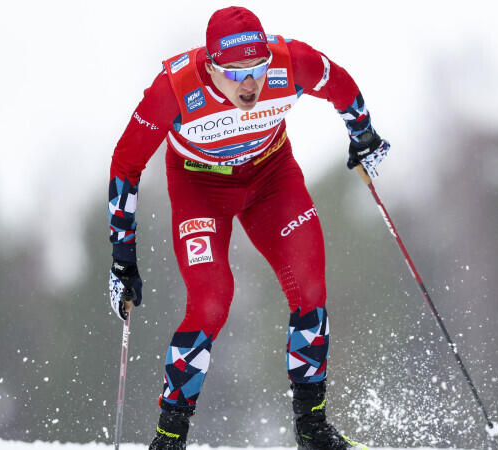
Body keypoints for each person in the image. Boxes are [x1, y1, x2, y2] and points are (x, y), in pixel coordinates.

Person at [107, 6, 389, 449]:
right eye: (234, 72)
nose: (249, 83)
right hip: (200, 186)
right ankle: (169, 437)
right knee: (211, 300)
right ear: (210, 63)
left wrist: (364, 134)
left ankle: (312, 430)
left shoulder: (291, 62)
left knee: (311, 288)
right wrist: (122, 257)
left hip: (270, 178)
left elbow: (338, 82)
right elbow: (126, 164)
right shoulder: (174, 88)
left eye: (256, 68)